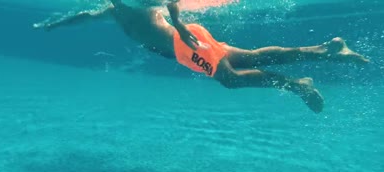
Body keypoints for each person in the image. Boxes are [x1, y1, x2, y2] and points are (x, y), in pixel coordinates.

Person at [33, 0, 369, 113]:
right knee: (249, 58)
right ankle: (327, 49)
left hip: (186, 43)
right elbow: (85, 17)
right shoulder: (112, 10)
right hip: (186, 46)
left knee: (231, 80)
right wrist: (56, 24)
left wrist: (178, 24)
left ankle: (299, 84)